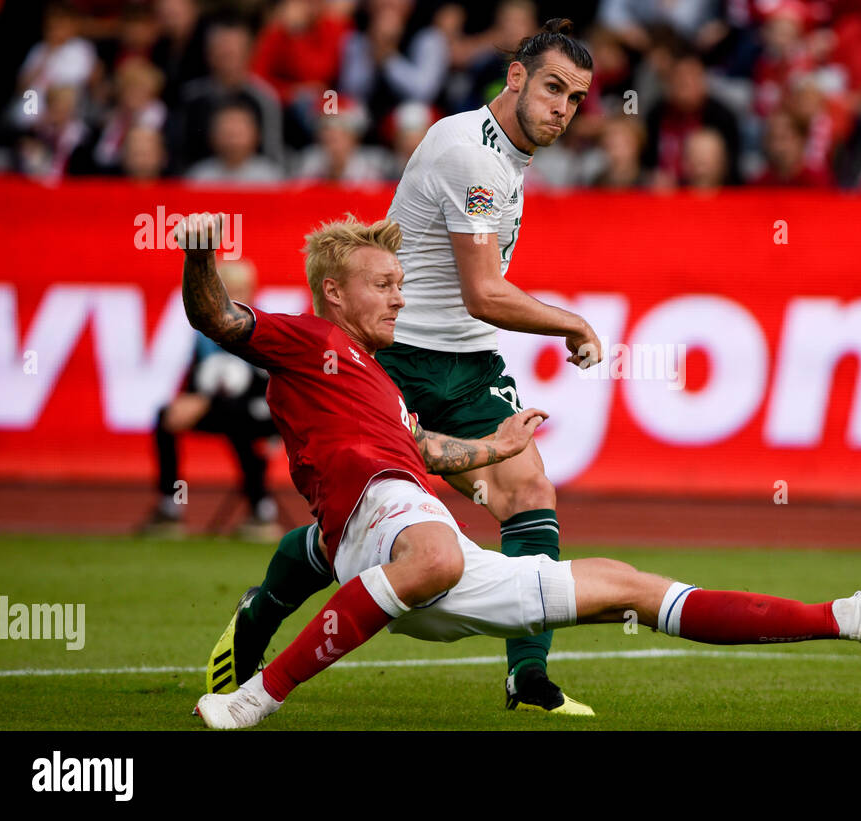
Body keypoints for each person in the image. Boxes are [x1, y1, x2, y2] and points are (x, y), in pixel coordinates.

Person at [175, 212, 861, 730]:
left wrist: (496, 446)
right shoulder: (307, 339)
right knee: (431, 545)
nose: (400, 295)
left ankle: (847, 617)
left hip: (416, 559)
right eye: (383, 283)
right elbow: (218, 318)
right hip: (384, 525)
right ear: (334, 292)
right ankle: (256, 696)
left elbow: (429, 451)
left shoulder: (381, 380)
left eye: (402, 281)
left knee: (628, 586)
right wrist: (200, 254)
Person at [203, 19, 608, 716]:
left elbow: (473, 301)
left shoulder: (509, 154)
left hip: (468, 361)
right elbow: (484, 289)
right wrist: (572, 320)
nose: (562, 109)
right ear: (515, 79)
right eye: (552, 88)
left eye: (574, 99)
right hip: (396, 360)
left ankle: (528, 677)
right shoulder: (470, 153)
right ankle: (259, 612)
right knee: (360, 532)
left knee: (526, 489)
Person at [141, 260, 280, 540]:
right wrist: (186, 402)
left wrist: (204, 400)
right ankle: (170, 506)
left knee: (236, 415)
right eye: (227, 291)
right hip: (224, 409)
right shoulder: (205, 337)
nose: (235, 298)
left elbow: (266, 384)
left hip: (266, 411)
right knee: (166, 416)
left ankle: (261, 508)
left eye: (241, 289)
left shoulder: (264, 328)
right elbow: (195, 383)